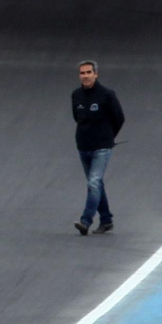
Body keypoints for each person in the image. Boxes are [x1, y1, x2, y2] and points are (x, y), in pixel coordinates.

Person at [72, 59, 124, 235]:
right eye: (82, 73)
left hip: (102, 147)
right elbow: (77, 117)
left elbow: (119, 118)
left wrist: (108, 137)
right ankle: (106, 219)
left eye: (88, 72)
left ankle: (85, 221)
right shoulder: (76, 95)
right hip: (83, 146)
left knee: (93, 182)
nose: (85, 76)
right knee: (96, 184)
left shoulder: (107, 95)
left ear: (95, 74)